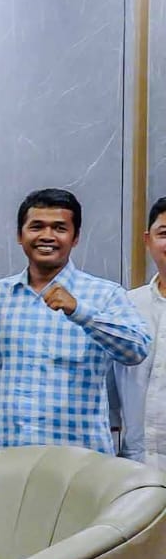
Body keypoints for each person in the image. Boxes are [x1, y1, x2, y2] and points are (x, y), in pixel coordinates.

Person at [0, 188, 151, 456]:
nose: (47, 236)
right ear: (19, 235)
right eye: (36, 226)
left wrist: (80, 312)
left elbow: (136, 350)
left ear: (75, 238)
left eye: (60, 228)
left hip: (80, 461)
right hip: (6, 456)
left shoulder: (105, 294)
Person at [116, 196, 166, 468]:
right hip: (135, 466)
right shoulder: (126, 305)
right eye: (164, 234)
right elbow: (108, 388)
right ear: (148, 240)